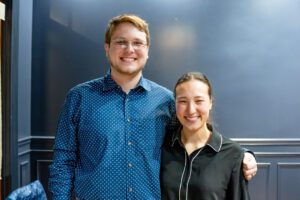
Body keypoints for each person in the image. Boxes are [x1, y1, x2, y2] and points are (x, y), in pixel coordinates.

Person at [48, 14, 257, 199]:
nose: (130, 49)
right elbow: (63, 162)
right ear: (107, 47)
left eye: (138, 43)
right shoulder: (80, 98)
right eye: (121, 42)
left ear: (147, 50)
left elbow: (195, 137)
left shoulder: (166, 101)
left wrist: (244, 154)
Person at [161, 72, 251, 199]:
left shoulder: (233, 154)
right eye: (183, 101)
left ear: (210, 103)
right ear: (175, 105)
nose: (191, 110)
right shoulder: (163, 147)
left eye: (198, 101)